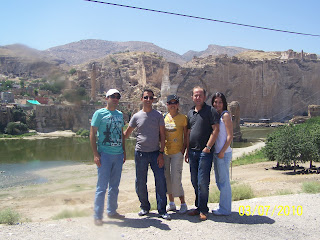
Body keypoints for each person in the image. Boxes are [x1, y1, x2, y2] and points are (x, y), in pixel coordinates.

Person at [124, 89, 170, 220]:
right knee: (140, 182)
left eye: (150, 97)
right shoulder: (136, 116)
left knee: (160, 181)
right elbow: (126, 134)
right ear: (142, 99)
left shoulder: (158, 115)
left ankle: (162, 209)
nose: (148, 100)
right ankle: (145, 207)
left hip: (156, 153)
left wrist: (161, 153)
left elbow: (163, 135)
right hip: (140, 154)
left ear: (153, 100)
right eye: (146, 97)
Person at [90, 89, 126, 226]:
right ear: (107, 98)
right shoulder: (99, 114)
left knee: (115, 186)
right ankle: (98, 215)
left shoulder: (120, 114)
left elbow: (122, 133)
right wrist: (95, 154)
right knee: (102, 187)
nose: (115, 99)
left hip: (118, 154)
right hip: (104, 155)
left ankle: (112, 211)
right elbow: (92, 133)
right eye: (113, 96)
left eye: (117, 97)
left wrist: (124, 151)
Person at [185, 86, 220, 221]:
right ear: (192, 97)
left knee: (203, 182)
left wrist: (208, 147)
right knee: (194, 180)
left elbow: (215, 130)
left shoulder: (210, 111)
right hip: (192, 152)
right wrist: (187, 151)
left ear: (204, 97)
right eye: (195, 95)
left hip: (205, 153)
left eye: (200, 95)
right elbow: (188, 133)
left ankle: (204, 209)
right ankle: (198, 207)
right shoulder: (190, 113)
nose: (197, 97)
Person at [163, 95, 188, 214]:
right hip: (166, 152)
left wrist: (184, 149)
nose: (172, 105)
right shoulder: (164, 117)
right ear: (167, 105)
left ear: (178, 105)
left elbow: (186, 135)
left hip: (177, 152)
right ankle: (171, 203)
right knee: (167, 178)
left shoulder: (183, 118)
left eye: (175, 103)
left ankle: (183, 203)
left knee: (176, 178)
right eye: (170, 103)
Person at [211, 92, 233, 216]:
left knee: (224, 182)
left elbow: (230, 136)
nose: (217, 104)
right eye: (215, 102)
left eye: (220, 102)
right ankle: (224, 206)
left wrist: (222, 152)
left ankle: (225, 209)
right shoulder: (217, 115)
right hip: (217, 153)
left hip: (223, 154)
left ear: (223, 103)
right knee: (219, 181)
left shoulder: (225, 115)